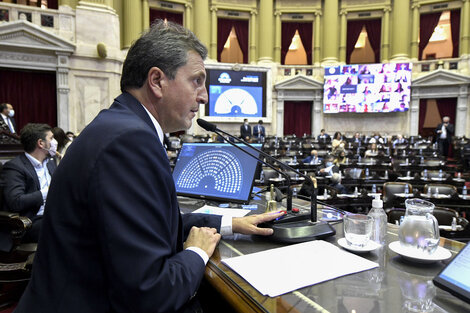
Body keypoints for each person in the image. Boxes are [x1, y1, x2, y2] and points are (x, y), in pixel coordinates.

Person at [14, 20, 284, 313]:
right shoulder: (130, 142)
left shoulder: (117, 126)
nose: (204, 96)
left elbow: (153, 227)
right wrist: (196, 252)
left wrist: (231, 224)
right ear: (157, 81)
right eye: (197, 80)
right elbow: (150, 293)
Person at [2, 123, 57, 243]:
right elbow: (16, 202)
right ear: (41, 143)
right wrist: (47, 192)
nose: (55, 142)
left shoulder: (51, 163)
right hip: (29, 222)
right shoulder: (14, 167)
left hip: (53, 214)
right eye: (51, 138)